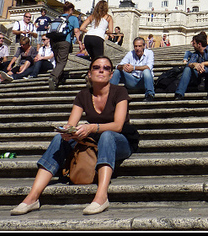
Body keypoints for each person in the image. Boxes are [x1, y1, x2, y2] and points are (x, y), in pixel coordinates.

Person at [10, 56, 139, 216]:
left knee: (107, 135)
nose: (101, 70)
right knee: (58, 138)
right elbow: (71, 124)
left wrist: (91, 127)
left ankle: (101, 196)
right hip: (93, 142)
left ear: (111, 74)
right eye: (96, 67)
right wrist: (68, 133)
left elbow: (118, 125)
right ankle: (32, 197)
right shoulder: (83, 95)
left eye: (106, 68)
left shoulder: (120, 91)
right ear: (89, 73)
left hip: (121, 142)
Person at [174, 32, 208, 101]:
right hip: (200, 76)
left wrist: (203, 64)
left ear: (199, 44)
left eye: (194, 43)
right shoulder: (195, 54)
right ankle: (179, 93)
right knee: (187, 68)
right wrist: (195, 64)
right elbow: (189, 64)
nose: (193, 45)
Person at [110, 37, 155, 102]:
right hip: (133, 80)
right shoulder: (130, 54)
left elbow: (148, 67)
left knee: (146, 71)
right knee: (117, 71)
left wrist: (133, 68)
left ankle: (150, 94)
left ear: (144, 46)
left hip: (145, 81)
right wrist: (123, 66)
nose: (137, 48)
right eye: (135, 46)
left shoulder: (149, 53)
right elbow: (118, 66)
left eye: (140, 46)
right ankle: (110, 94)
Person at [48, 2, 80, 91]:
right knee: (62, 61)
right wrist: (80, 42)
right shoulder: (73, 18)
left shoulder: (57, 18)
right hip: (64, 41)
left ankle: (59, 79)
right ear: (71, 10)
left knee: (58, 61)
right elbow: (76, 31)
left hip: (53, 41)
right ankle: (53, 77)